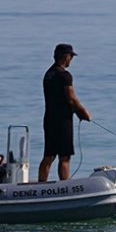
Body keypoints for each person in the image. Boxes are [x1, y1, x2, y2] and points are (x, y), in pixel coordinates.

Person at [38, 43, 92, 182]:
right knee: (64, 156)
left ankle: (41, 184)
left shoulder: (48, 74)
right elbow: (71, 98)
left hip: (49, 119)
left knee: (49, 155)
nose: (71, 60)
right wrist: (83, 112)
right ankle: (65, 185)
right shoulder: (65, 75)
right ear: (66, 57)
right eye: (70, 57)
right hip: (62, 121)